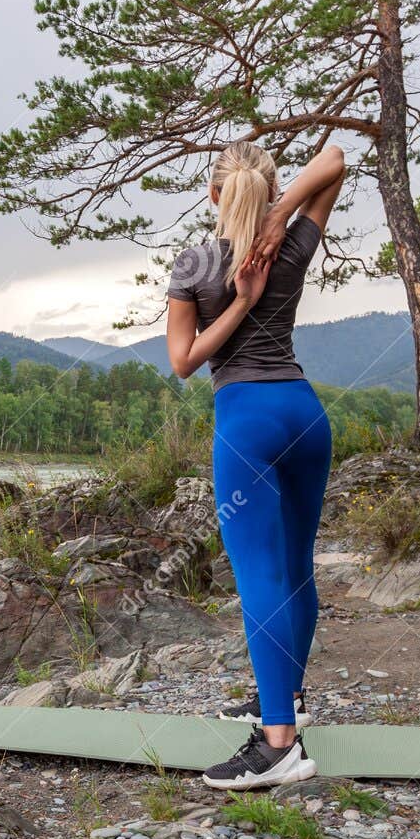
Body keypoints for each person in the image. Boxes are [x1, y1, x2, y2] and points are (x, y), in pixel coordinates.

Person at [165, 138, 345, 790]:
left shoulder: (195, 262)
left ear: (213, 195)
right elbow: (336, 159)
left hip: (247, 425)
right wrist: (283, 215)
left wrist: (238, 300)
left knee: (260, 578)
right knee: (295, 569)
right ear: (269, 194)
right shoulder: (289, 247)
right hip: (305, 416)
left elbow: (184, 361)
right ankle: (285, 699)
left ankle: (279, 747)